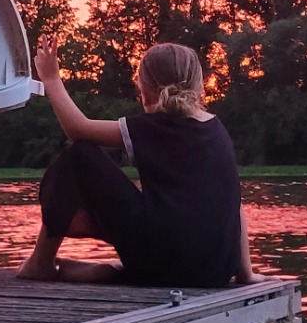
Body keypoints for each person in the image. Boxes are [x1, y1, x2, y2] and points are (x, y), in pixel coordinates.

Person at [17, 38, 266, 287]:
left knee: (79, 156)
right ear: (198, 86)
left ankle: (41, 262)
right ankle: (117, 271)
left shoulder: (153, 127)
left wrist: (51, 79)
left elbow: (78, 129)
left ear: (145, 90)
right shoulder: (217, 129)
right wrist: (246, 273)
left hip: (161, 263)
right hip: (215, 272)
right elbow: (234, 203)